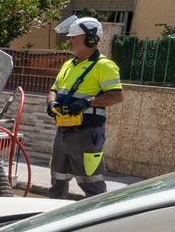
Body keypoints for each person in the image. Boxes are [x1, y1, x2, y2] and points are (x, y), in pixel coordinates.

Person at [47, 15, 125, 199]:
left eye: (74, 37)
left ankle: (100, 221)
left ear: (90, 39)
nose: (70, 40)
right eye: (70, 37)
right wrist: (51, 102)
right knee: (57, 180)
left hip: (86, 134)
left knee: (91, 185)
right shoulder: (68, 64)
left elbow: (117, 96)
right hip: (63, 132)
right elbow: (53, 89)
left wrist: (87, 102)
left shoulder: (104, 66)